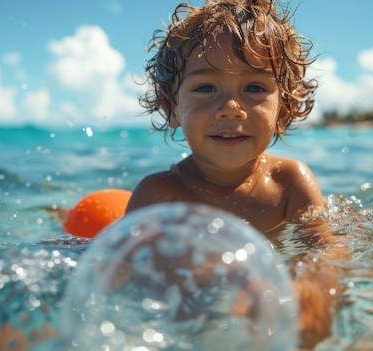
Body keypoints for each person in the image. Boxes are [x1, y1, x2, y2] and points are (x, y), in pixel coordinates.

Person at [126, 0, 349, 348]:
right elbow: (133, 278)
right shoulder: (160, 195)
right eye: (205, 88)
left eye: (255, 88)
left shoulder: (289, 183)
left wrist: (311, 289)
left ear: (284, 109)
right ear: (172, 109)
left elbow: (328, 247)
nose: (231, 108)